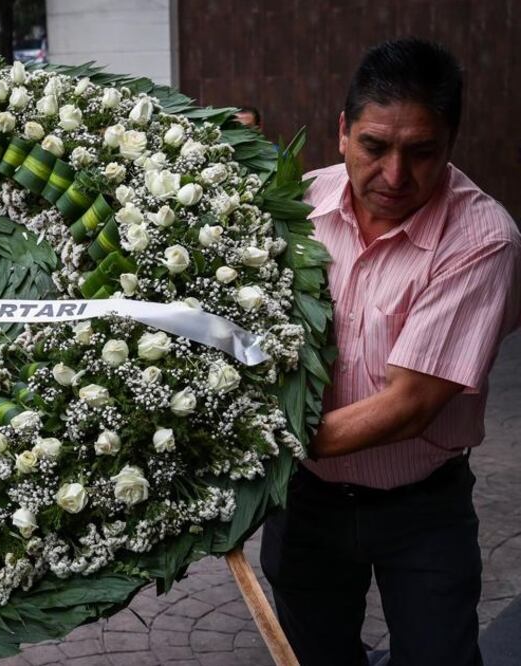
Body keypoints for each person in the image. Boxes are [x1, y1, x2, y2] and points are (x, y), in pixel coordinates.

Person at [261, 38, 521, 666]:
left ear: (451, 143)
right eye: (375, 147)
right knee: (313, 652)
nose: (395, 176)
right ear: (343, 131)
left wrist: (254, 438)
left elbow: (409, 404)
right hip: (307, 500)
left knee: (438, 655)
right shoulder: (293, 207)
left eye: (422, 152)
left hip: (420, 507)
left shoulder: (484, 239)